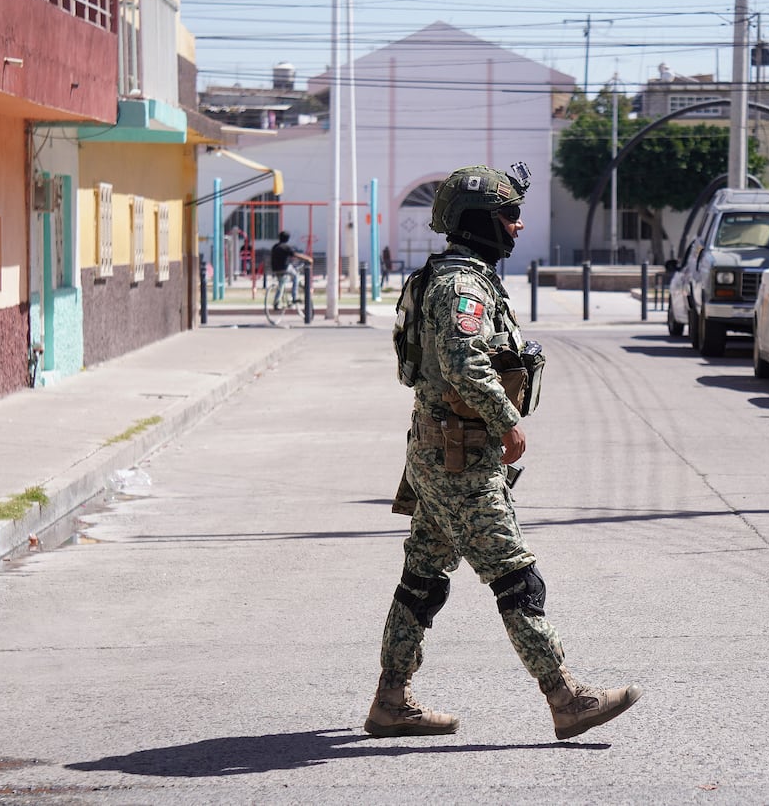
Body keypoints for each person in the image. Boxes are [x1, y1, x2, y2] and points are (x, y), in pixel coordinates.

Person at [365, 163, 642, 741]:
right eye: (508, 216)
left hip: (436, 453)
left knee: (422, 579)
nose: (516, 226)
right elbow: (467, 364)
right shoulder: (463, 286)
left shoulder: (454, 276)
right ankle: (567, 699)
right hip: (461, 460)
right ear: (478, 222)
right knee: (518, 580)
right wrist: (508, 421)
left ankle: (391, 700)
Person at [269, 231, 312, 303]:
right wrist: (307, 258)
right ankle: (294, 296)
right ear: (287, 239)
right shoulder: (286, 247)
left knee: (281, 283)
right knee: (295, 276)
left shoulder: (275, 246)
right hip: (284, 268)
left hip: (275, 269)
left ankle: (277, 301)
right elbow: (295, 254)